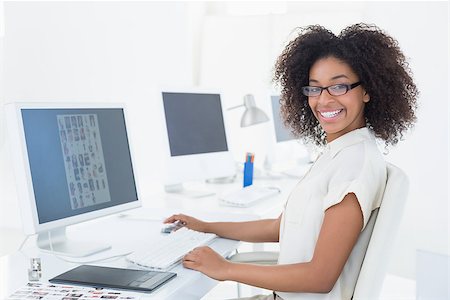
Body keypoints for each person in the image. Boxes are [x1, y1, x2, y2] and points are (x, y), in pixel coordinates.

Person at [164, 23, 418, 300]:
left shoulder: (354, 165)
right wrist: (206, 226)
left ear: (367, 90)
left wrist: (226, 268)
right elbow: (280, 227)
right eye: (314, 89)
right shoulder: (339, 153)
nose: (324, 100)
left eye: (339, 86)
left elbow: (320, 277)